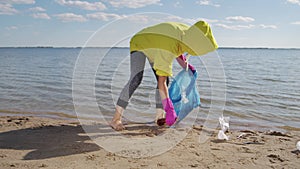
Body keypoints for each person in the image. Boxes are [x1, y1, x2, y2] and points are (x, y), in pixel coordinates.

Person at [110, 20, 218, 131]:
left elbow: (178, 47)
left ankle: (159, 118)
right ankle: (116, 119)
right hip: (140, 42)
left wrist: (187, 66)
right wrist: (169, 108)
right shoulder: (167, 48)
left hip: (158, 44)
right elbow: (170, 50)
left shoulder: (190, 33)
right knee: (136, 79)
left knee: (165, 80)